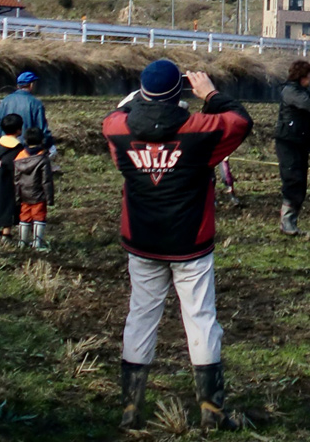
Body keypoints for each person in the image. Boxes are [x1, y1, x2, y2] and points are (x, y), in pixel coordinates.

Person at [102, 59, 253, 431]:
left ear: (143, 92)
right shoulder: (201, 129)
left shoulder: (117, 130)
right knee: (201, 321)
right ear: (179, 94)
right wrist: (209, 93)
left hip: (142, 239)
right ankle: (211, 412)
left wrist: (143, 93)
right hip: (190, 241)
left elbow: (117, 112)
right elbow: (240, 121)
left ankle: (130, 410)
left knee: (140, 318)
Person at [274, 60, 310, 236]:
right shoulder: (291, 91)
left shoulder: (298, 91)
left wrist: (309, 136)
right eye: (308, 75)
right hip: (288, 143)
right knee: (293, 181)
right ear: (302, 76)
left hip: (298, 141)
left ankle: (290, 222)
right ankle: (287, 223)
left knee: (300, 182)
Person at [14, 126, 54, 250]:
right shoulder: (43, 158)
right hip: (38, 193)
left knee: (24, 217)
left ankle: (22, 242)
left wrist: (16, 195)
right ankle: (38, 243)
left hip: (23, 193)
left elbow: (16, 178)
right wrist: (50, 197)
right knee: (39, 217)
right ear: (41, 140)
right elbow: (46, 180)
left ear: (25, 140)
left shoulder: (19, 156)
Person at [0, 114, 23, 241]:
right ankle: (6, 233)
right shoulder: (17, 148)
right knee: (8, 203)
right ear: (19, 129)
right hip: (9, 181)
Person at [0, 71, 51, 144]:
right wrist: (48, 145)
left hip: (6, 147)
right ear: (31, 85)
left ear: (18, 85)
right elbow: (42, 130)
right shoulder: (36, 103)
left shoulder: (5, 101)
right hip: (26, 149)